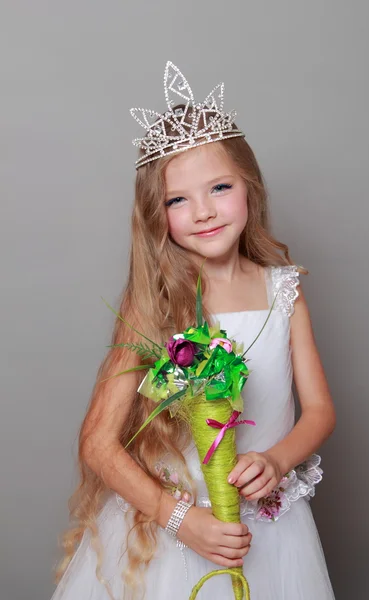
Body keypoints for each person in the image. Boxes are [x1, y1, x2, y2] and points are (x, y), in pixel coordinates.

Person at [51, 61, 336, 599]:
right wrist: (180, 518)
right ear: (156, 215)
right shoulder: (154, 304)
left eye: (219, 187)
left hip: (268, 531)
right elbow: (98, 444)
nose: (202, 212)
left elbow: (320, 410)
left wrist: (276, 459)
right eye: (177, 199)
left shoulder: (285, 292)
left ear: (250, 188)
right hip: (175, 534)